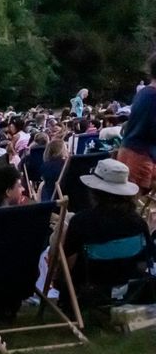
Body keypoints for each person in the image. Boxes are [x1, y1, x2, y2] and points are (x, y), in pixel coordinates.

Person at [63, 159, 151, 291]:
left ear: (94, 192)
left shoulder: (82, 222)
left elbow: (67, 265)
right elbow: (144, 262)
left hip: (87, 291)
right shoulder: (138, 223)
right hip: (130, 291)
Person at [118, 54, 156, 192]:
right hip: (140, 159)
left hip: (128, 153)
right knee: (133, 200)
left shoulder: (144, 93)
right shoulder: (153, 96)